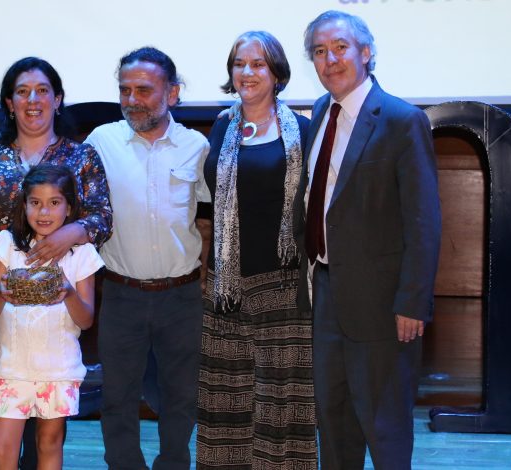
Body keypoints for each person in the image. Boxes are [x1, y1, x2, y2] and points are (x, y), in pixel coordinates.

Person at [294, 10, 442, 470]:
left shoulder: (401, 120)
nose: (330, 59)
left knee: (385, 428)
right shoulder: (321, 112)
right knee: (334, 425)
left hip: (383, 305)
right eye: (319, 52)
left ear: (366, 52)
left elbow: (423, 219)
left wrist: (413, 301)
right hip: (326, 294)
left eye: (340, 47)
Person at [0, 56, 112, 470]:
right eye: (23, 92)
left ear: (58, 99)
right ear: (9, 102)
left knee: (47, 417)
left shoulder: (81, 156)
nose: (33, 100)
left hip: (57, 306)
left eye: (43, 91)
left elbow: (103, 217)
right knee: (1, 400)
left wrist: (70, 233)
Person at [84, 46, 210, 470]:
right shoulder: (100, 141)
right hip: (122, 293)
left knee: (182, 397)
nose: (132, 99)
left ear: (172, 93)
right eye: (125, 90)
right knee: (118, 397)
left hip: (183, 296)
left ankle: (174, 463)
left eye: (144, 89)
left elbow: (209, 217)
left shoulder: (198, 146)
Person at [195, 31, 316, 468]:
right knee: (225, 410)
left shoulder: (302, 130)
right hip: (227, 291)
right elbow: (210, 206)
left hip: (283, 291)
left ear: (278, 72)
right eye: (239, 64)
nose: (247, 72)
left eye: (258, 64)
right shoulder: (222, 126)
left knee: (279, 410)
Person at [0, 164, 105, 470]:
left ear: (69, 208)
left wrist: (68, 292)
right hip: (13, 366)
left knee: (48, 444)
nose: (44, 211)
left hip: (58, 368)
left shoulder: (82, 254)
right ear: (24, 206)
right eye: (35, 202)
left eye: (54, 202)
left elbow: (86, 319)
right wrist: (2, 293)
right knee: (1, 452)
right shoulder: (7, 246)